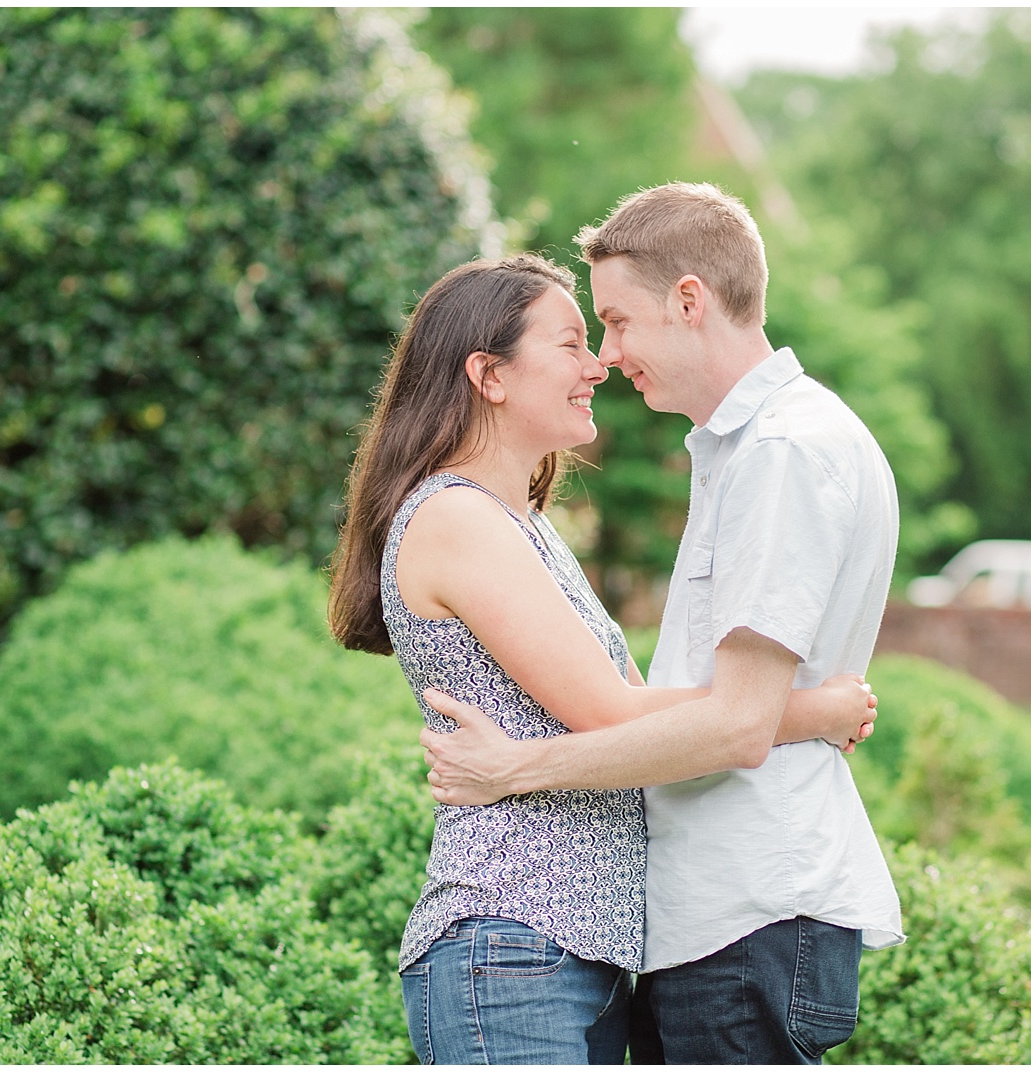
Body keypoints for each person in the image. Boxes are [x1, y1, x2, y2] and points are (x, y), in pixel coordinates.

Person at [325, 252, 879, 1065]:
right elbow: (613, 715)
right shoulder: (455, 517)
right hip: (512, 939)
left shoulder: (524, 525)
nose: (599, 365)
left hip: (574, 956)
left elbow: (638, 712)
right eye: (572, 343)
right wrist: (811, 713)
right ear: (490, 374)